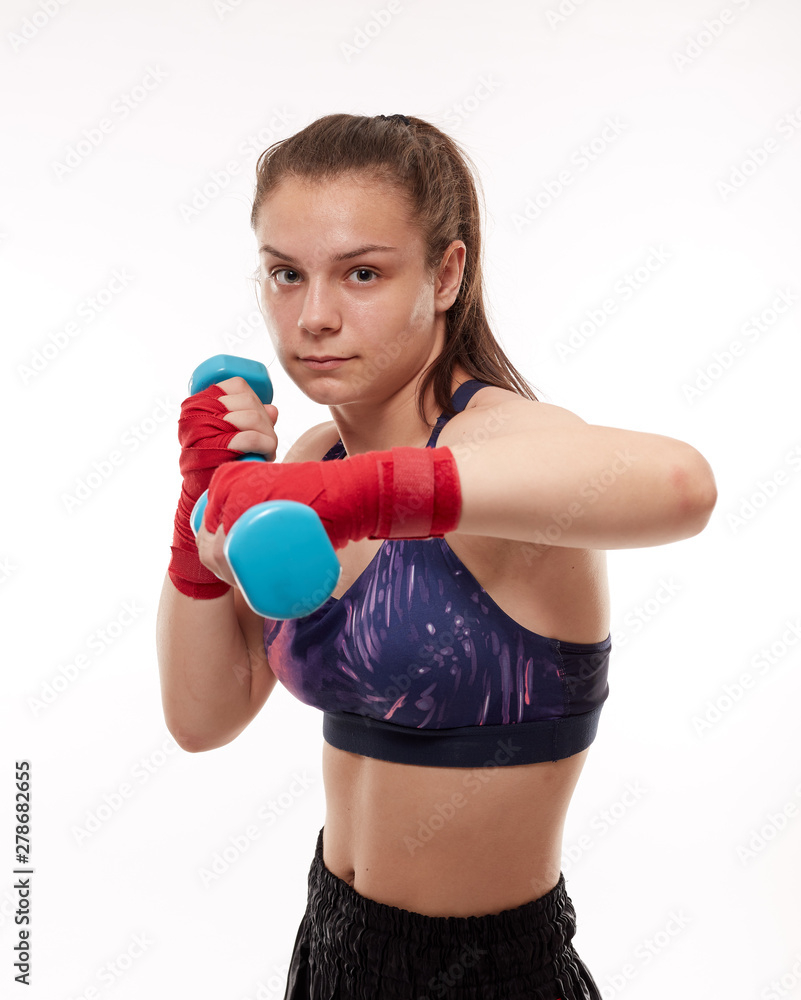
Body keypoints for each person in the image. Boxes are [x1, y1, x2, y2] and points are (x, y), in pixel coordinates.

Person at [156, 113, 717, 1000]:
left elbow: (684, 486)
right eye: (285, 274)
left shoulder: (503, 448)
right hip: (327, 949)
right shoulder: (306, 461)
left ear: (446, 272)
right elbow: (201, 718)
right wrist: (200, 500)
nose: (314, 317)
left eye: (363, 273)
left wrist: (362, 499)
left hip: (487, 975)